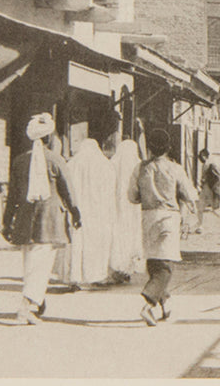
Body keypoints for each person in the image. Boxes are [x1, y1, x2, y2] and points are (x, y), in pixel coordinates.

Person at [2, 113, 82, 325]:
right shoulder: (56, 160)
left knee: (30, 265)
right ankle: (26, 307)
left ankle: (36, 305)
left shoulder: (20, 161)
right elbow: (68, 191)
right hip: (49, 222)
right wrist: (76, 214)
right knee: (41, 266)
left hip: (25, 222)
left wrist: (6, 221)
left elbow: (11, 197)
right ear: (49, 138)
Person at [127, 128, 197, 326]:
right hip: (168, 216)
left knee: (154, 262)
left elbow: (132, 196)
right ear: (168, 147)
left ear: (149, 147)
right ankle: (148, 305)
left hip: (148, 216)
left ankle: (165, 304)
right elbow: (189, 193)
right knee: (165, 266)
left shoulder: (140, 168)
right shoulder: (175, 168)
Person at [61, 137, 116, 287]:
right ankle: (95, 276)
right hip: (98, 212)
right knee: (96, 244)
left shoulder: (72, 164)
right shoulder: (105, 165)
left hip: (76, 211)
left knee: (76, 243)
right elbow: (110, 191)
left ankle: (74, 278)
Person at [108, 139, 143, 281]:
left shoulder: (112, 164)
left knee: (117, 238)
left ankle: (116, 269)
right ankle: (127, 269)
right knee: (131, 237)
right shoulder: (139, 165)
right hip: (134, 208)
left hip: (115, 208)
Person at [194, 148, 220, 234]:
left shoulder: (207, 164)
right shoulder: (214, 162)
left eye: (201, 157)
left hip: (207, 187)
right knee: (212, 208)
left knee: (201, 207)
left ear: (204, 156)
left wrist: (203, 182)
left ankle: (200, 226)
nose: (200, 159)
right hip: (211, 188)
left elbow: (206, 178)